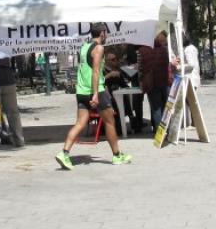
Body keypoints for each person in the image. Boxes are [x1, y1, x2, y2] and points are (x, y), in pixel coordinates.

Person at [56, 23, 133, 169]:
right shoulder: (99, 48)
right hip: (95, 91)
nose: (107, 35)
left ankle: (64, 153)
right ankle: (117, 156)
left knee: (80, 123)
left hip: (81, 91)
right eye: (106, 33)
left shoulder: (84, 46)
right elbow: (96, 71)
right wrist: (96, 94)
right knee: (110, 122)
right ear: (102, 33)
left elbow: (85, 68)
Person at [139, 31, 171, 131]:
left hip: (150, 82)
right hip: (164, 81)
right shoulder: (164, 50)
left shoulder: (141, 50)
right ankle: (168, 129)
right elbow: (167, 65)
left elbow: (140, 69)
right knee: (166, 106)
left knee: (156, 107)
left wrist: (141, 82)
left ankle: (159, 131)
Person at [0, 55, 25, 148]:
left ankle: (18, 140)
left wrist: (17, 70)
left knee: (12, 112)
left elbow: (20, 55)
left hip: (8, 80)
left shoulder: (7, 42)